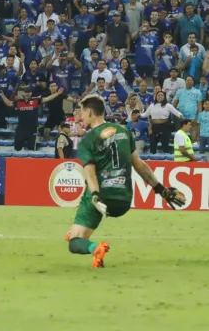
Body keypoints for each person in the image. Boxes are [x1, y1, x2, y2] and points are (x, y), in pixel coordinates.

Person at [65, 94, 186, 268]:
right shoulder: (123, 131)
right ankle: (89, 246)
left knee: (74, 241)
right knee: (78, 228)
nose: (80, 116)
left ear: (90, 112)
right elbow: (139, 164)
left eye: (82, 112)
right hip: (124, 199)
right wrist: (160, 189)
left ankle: (94, 248)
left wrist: (96, 196)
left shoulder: (88, 141)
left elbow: (90, 174)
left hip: (102, 197)